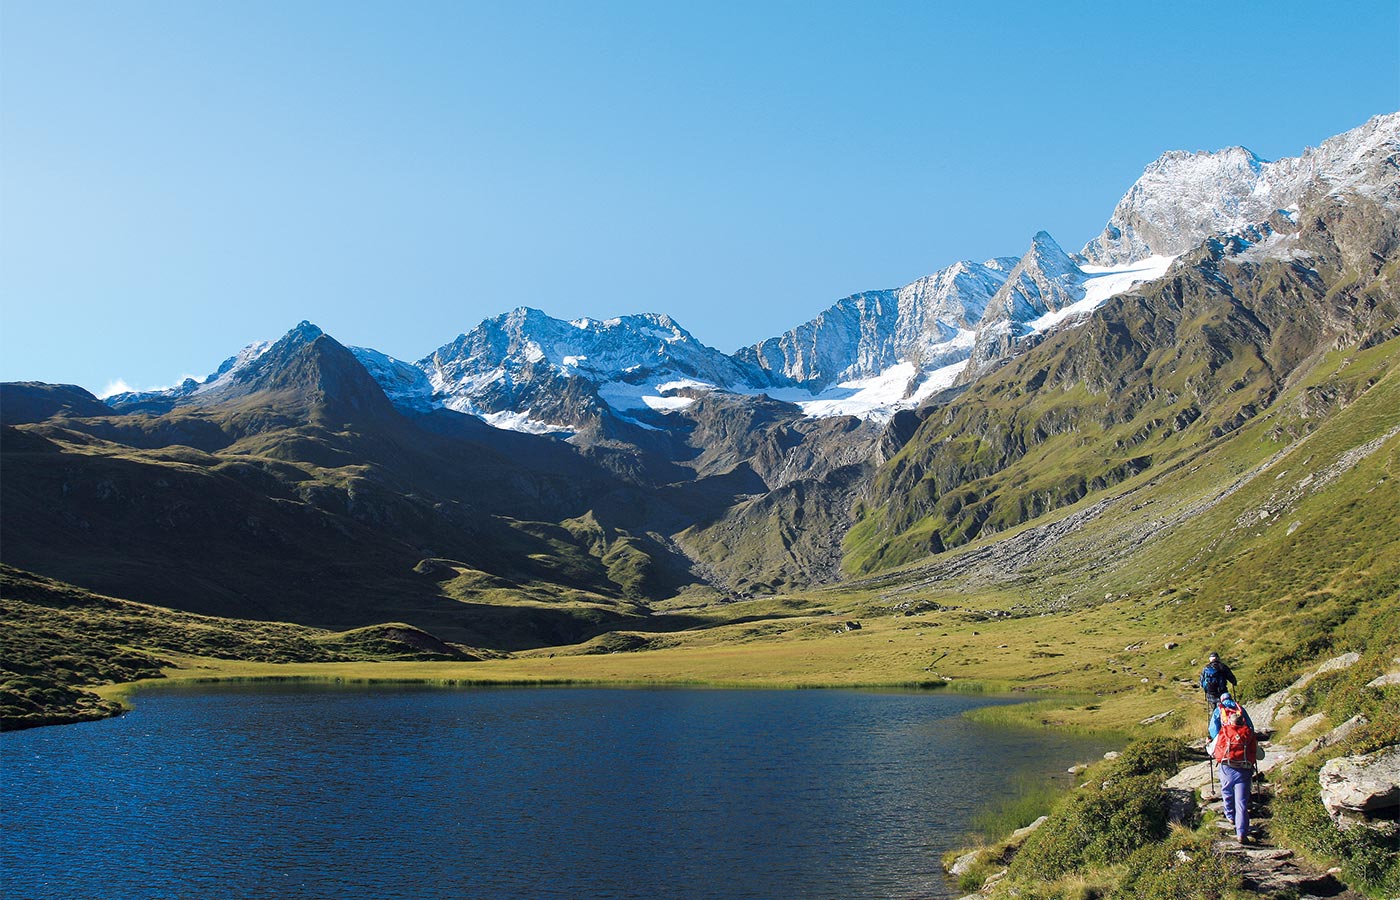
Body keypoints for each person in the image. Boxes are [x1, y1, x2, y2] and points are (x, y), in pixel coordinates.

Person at [1209, 692, 1259, 844]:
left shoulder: (1223, 725)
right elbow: (1258, 754)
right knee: (1242, 802)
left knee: (1226, 791)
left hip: (1226, 766)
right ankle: (1241, 832)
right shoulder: (1242, 716)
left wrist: (1210, 742)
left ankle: (1230, 815)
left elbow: (1212, 744)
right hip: (1244, 769)